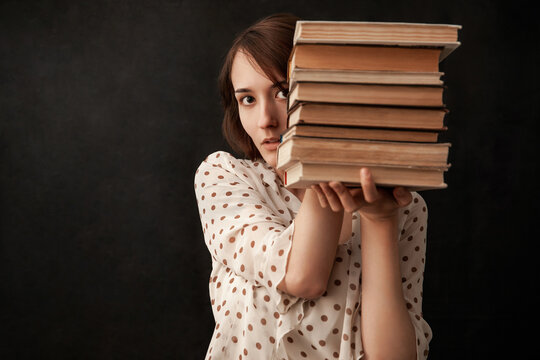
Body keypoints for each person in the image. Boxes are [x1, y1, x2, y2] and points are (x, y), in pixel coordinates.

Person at [194, 13, 432, 360]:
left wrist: (380, 221)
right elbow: (302, 276)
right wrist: (328, 155)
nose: (265, 120)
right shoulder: (225, 176)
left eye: (284, 92)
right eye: (248, 99)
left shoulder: (404, 206)